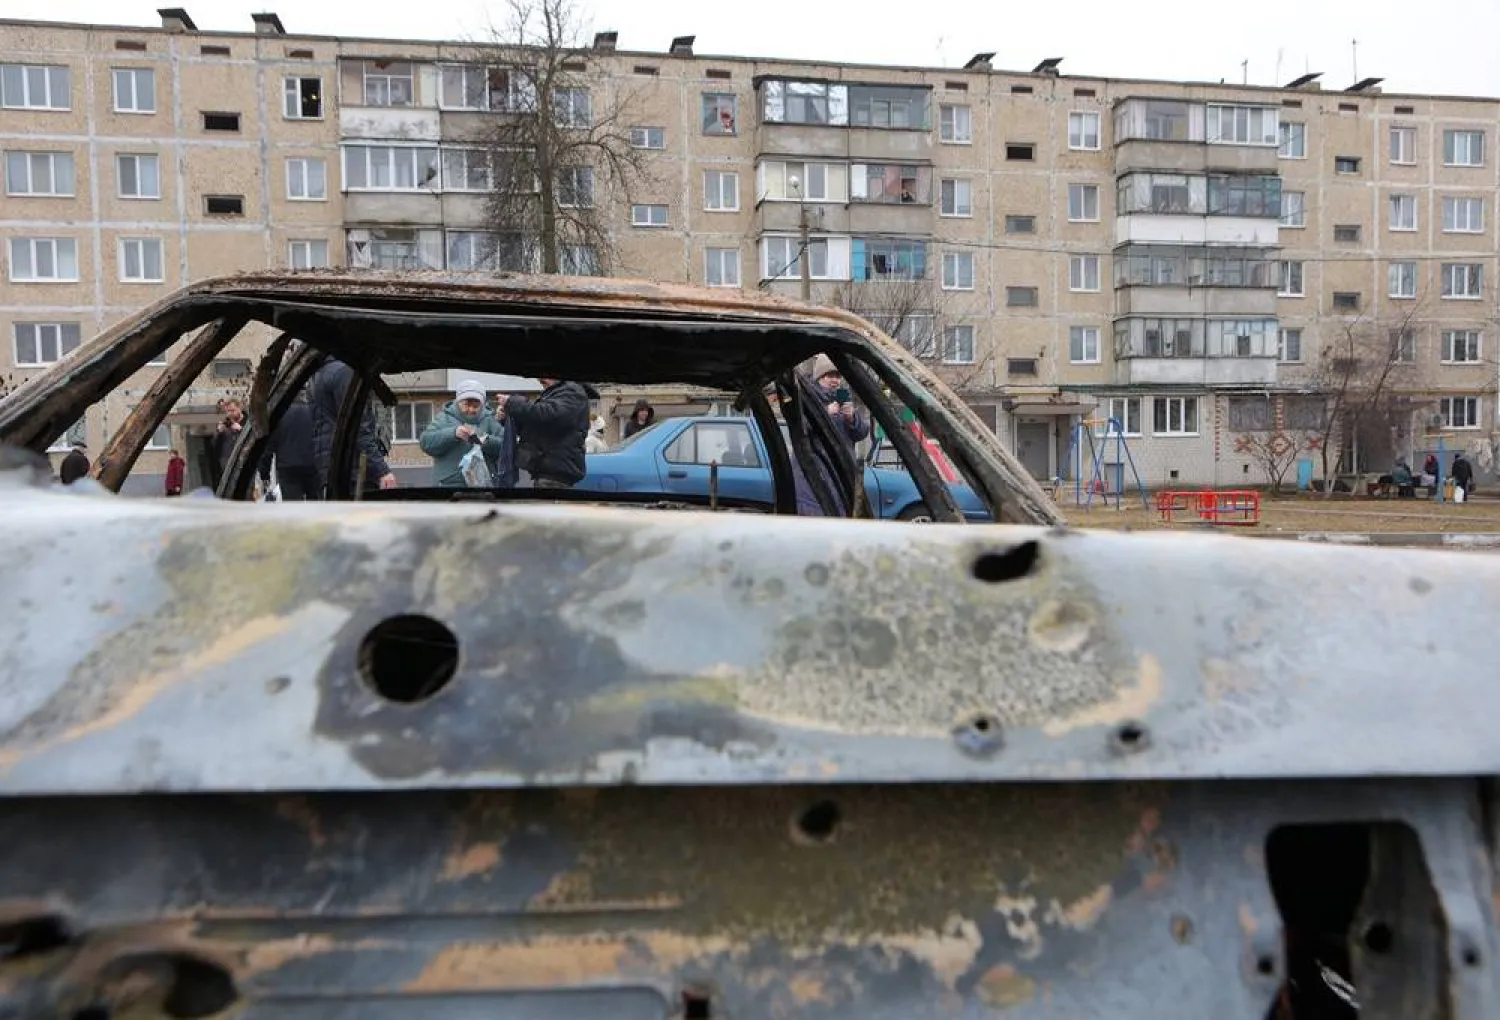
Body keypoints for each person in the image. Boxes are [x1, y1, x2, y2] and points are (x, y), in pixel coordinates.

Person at [310, 358, 397, 497]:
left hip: (333, 467)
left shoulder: (323, 372)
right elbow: (358, 429)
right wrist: (382, 471)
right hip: (352, 469)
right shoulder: (345, 372)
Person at [503, 378, 598, 489]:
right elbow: (535, 427)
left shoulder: (573, 391)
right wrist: (509, 417)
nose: (540, 380)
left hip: (556, 474)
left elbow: (548, 415)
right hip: (549, 472)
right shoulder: (560, 392)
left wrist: (513, 403)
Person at [420, 380, 508, 488]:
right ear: (458, 402)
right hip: (449, 485)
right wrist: (453, 434)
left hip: (484, 485)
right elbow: (426, 443)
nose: (470, 410)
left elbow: (506, 447)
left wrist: (484, 439)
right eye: (466, 405)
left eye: (476, 406)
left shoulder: (489, 419)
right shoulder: (444, 418)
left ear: (483, 404)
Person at [257, 391, 318, 500]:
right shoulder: (312, 410)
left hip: (287, 467)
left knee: (292, 508)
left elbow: (268, 447)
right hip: (312, 464)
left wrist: (264, 473)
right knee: (314, 506)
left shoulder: (277, 414)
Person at [212, 398, 246, 486]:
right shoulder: (225, 423)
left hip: (244, 461)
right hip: (227, 462)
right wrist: (219, 432)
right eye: (228, 411)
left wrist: (241, 430)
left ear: (240, 408)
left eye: (233, 410)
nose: (230, 414)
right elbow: (215, 447)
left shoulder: (248, 422)